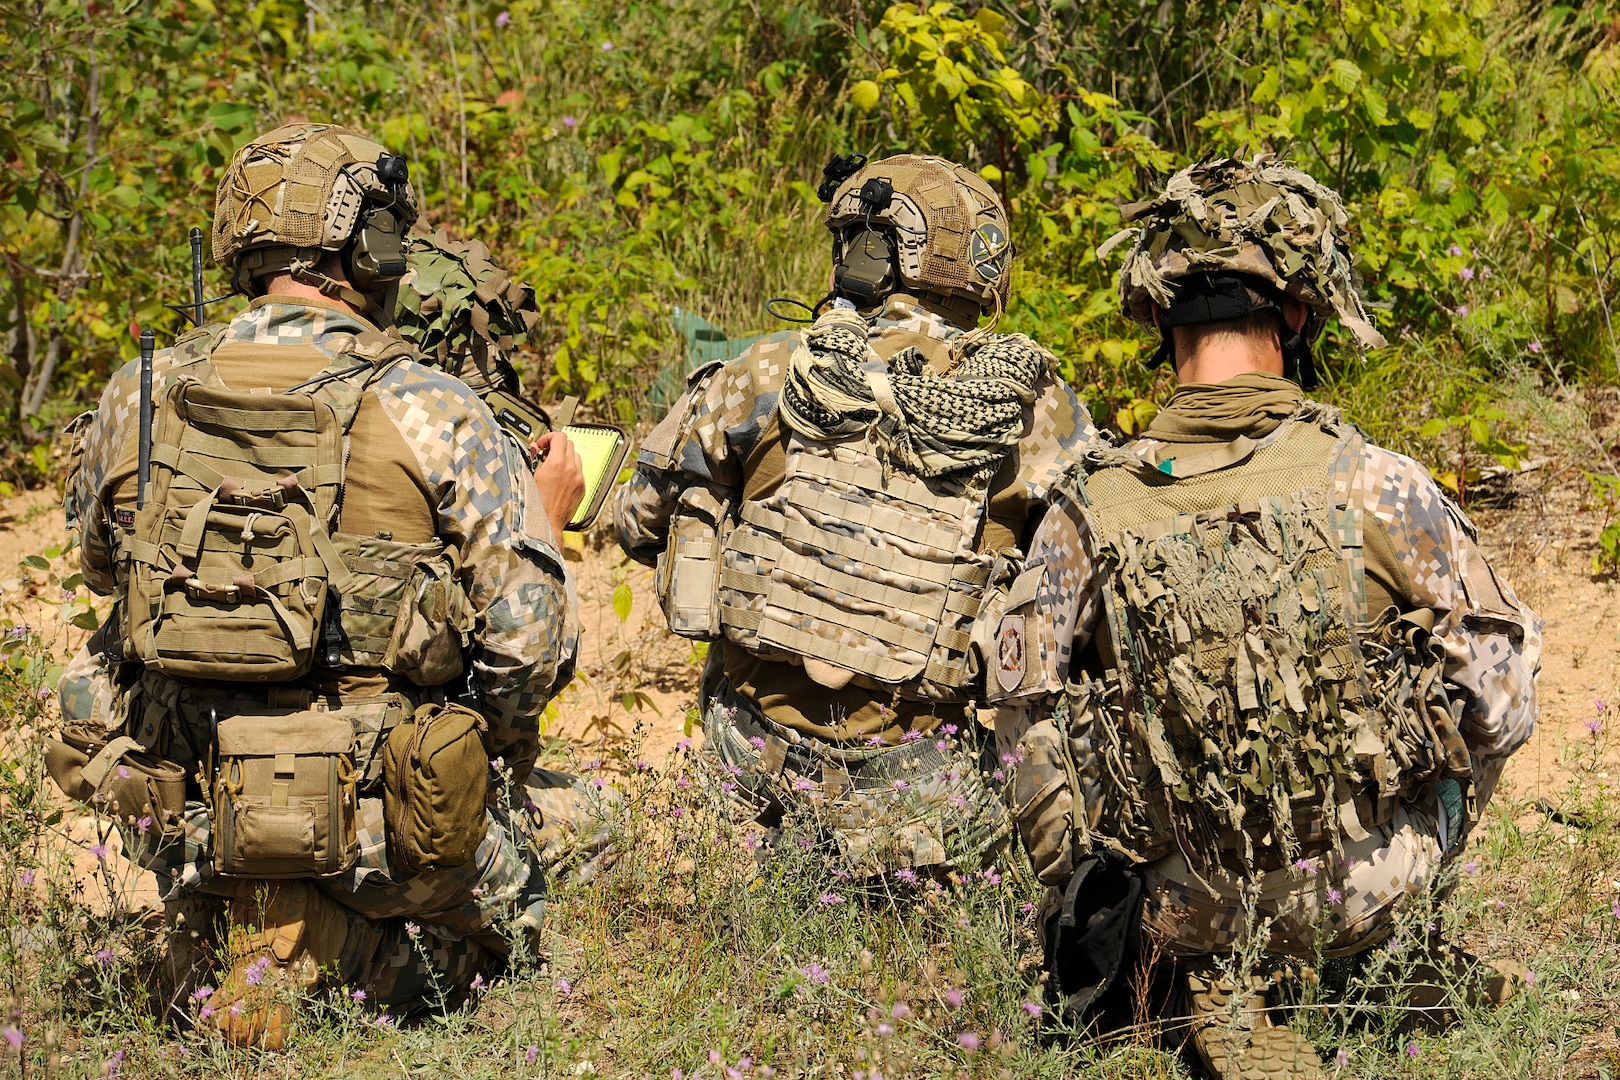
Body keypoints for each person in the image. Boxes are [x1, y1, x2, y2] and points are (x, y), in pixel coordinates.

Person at [47, 122, 600, 1048]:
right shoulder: (430, 404)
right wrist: (540, 519)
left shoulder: (137, 392)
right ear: (371, 246)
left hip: (182, 807)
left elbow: (105, 572)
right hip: (375, 827)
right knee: (591, 828)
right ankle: (338, 946)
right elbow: (530, 649)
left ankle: (217, 926)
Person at [992, 156, 1542, 1077]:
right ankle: (1376, 959)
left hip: (1174, 911)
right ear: (1295, 311)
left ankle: (1195, 985)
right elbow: (1504, 703)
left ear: (1161, 320)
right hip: (1362, 888)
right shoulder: (1374, 481)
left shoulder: (1087, 513)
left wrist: (1086, 901)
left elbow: (1022, 719)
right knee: (1501, 663)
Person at [615, 153, 1097, 872]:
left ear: (865, 249)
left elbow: (637, 521)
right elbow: (1089, 584)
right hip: (925, 788)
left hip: (750, 760)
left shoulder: (770, 367)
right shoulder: (1038, 410)